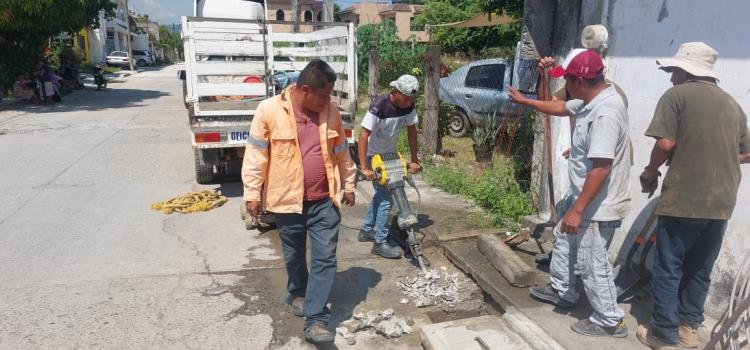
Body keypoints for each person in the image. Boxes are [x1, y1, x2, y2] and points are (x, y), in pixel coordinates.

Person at [509, 49, 632, 338]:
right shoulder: (595, 100)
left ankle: (609, 320)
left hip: (597, 206)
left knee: (592, 265)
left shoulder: (605, 112)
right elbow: (563, 108)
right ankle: (565, 292)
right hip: (588, 201)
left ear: (579, 81)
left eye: (569, 82)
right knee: (571, 246)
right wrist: (527, 101)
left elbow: (601, 167)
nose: (567, 89)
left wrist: (578, 210)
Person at [636, 42, 750, 350]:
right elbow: (746, 153)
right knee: (700, 268)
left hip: (685, 197)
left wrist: (649, 171)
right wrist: (714, 154)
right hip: (722, 201)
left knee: (668, 265)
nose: (671, 77)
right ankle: (688, 329)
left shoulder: (676, 96)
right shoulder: (732, 104)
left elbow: (665, 144)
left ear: (685, 70)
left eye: (674, 71)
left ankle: (662, 333)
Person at [241, 59, 357, 344]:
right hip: (286, 202)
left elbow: (341, 150)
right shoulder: (268, 110)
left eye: (330, 95)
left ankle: (316, 318)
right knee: (294, 257)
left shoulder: (330, 112)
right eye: (323, 95)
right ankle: (299, 291)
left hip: (323, 201)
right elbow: (256, 154)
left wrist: (349, 183)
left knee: (325, 257)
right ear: (305, 90)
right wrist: (252, 194)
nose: (328, 101)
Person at [357, 74, 421, 259]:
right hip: (373, 157)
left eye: (412, 98)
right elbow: (363, 136)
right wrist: (364, 167)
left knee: (381, 195)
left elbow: (412, 132)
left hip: (391, 156)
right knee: (387, 198)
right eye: (407, 97)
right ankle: (380, 242)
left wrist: (415, 159)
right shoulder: (379, 105)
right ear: (397, 92)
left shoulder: (408, 107)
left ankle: (367, 230)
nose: (410, 101)